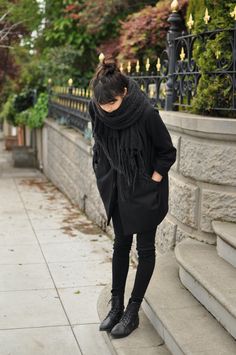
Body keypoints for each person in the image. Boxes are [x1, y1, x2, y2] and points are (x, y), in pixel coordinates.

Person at [88, 57, 176, 338]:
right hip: (117, 188)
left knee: (146, 249)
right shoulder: (97, 109)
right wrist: (99, 167)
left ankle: (133, 311)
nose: (107, 110)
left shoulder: (146, 113)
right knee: (120, 245)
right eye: (102, 105)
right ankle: (116, 306)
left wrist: (153, 181)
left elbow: (167, 152)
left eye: (112, 104)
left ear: (123, 93)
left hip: (144, 190)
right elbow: (99, 142)